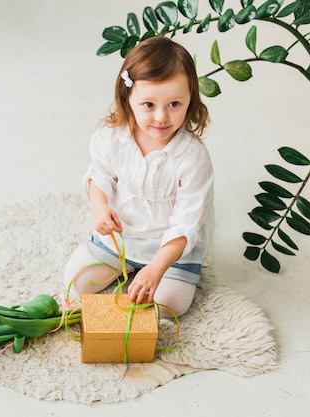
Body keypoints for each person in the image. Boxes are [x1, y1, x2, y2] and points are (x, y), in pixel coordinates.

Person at [63, 36, 214, 317]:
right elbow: (100, 174)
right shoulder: (113, 137)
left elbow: (187, 222)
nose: (161, 117)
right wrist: (100, 208)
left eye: (174, 104)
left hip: (170, 248)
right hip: (122, 238)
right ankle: (126, 265)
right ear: (127, 96)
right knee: (75, 282)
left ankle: (153, 272)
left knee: (168, 306)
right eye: (148, 105)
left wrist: (156, 268)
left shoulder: (192, 157)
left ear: (190, 98)